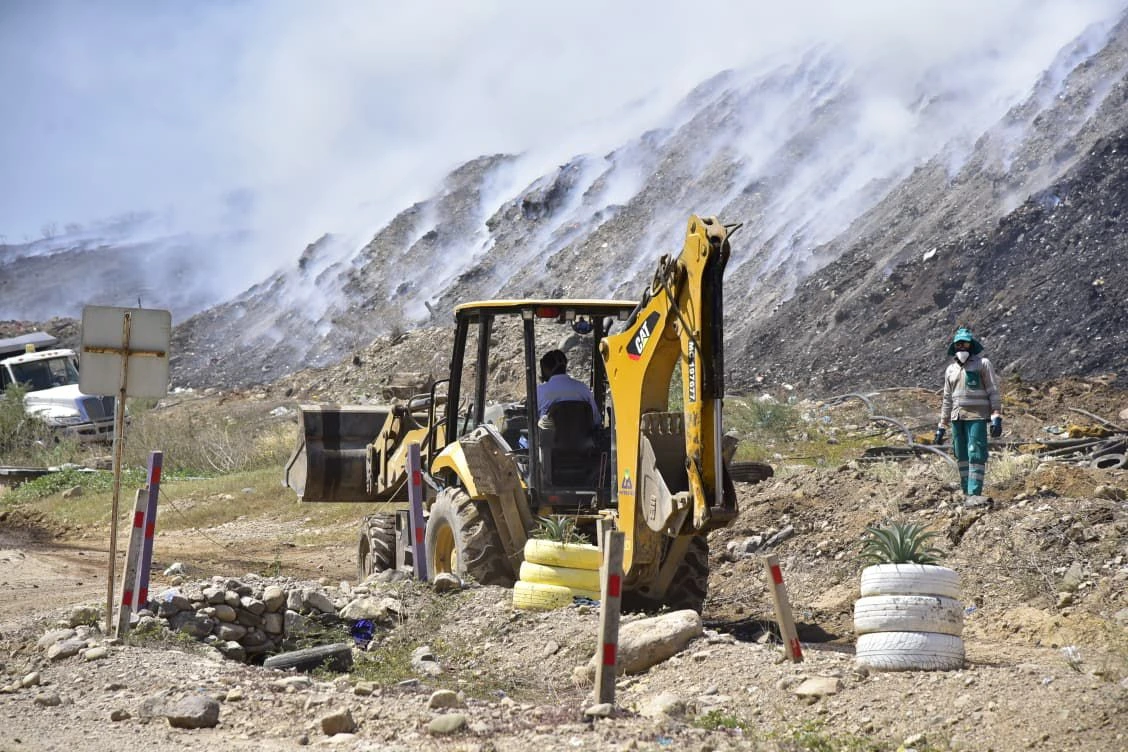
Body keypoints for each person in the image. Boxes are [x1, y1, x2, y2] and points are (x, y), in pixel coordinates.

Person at [935, 326, 1003, 505]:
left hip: (977, 416)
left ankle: (975, 492)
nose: (962, 347)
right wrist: (942, 425)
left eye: (965, 343)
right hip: (957, 418)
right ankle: (965, 492)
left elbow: (993, 391)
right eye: (958, 344)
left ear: (971, 345)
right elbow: (947, 398)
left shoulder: (982, 364)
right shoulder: (950, 370)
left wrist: (996, 415)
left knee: (976, 453)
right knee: (961, 454)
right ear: (954, 347)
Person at [536, 349, 601, 426]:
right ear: (565, 365)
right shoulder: (583, 389)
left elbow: (533, 419)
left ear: (545, 369)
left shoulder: (540, 391)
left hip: (551, 438)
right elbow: (596, 420)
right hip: (582, 437)